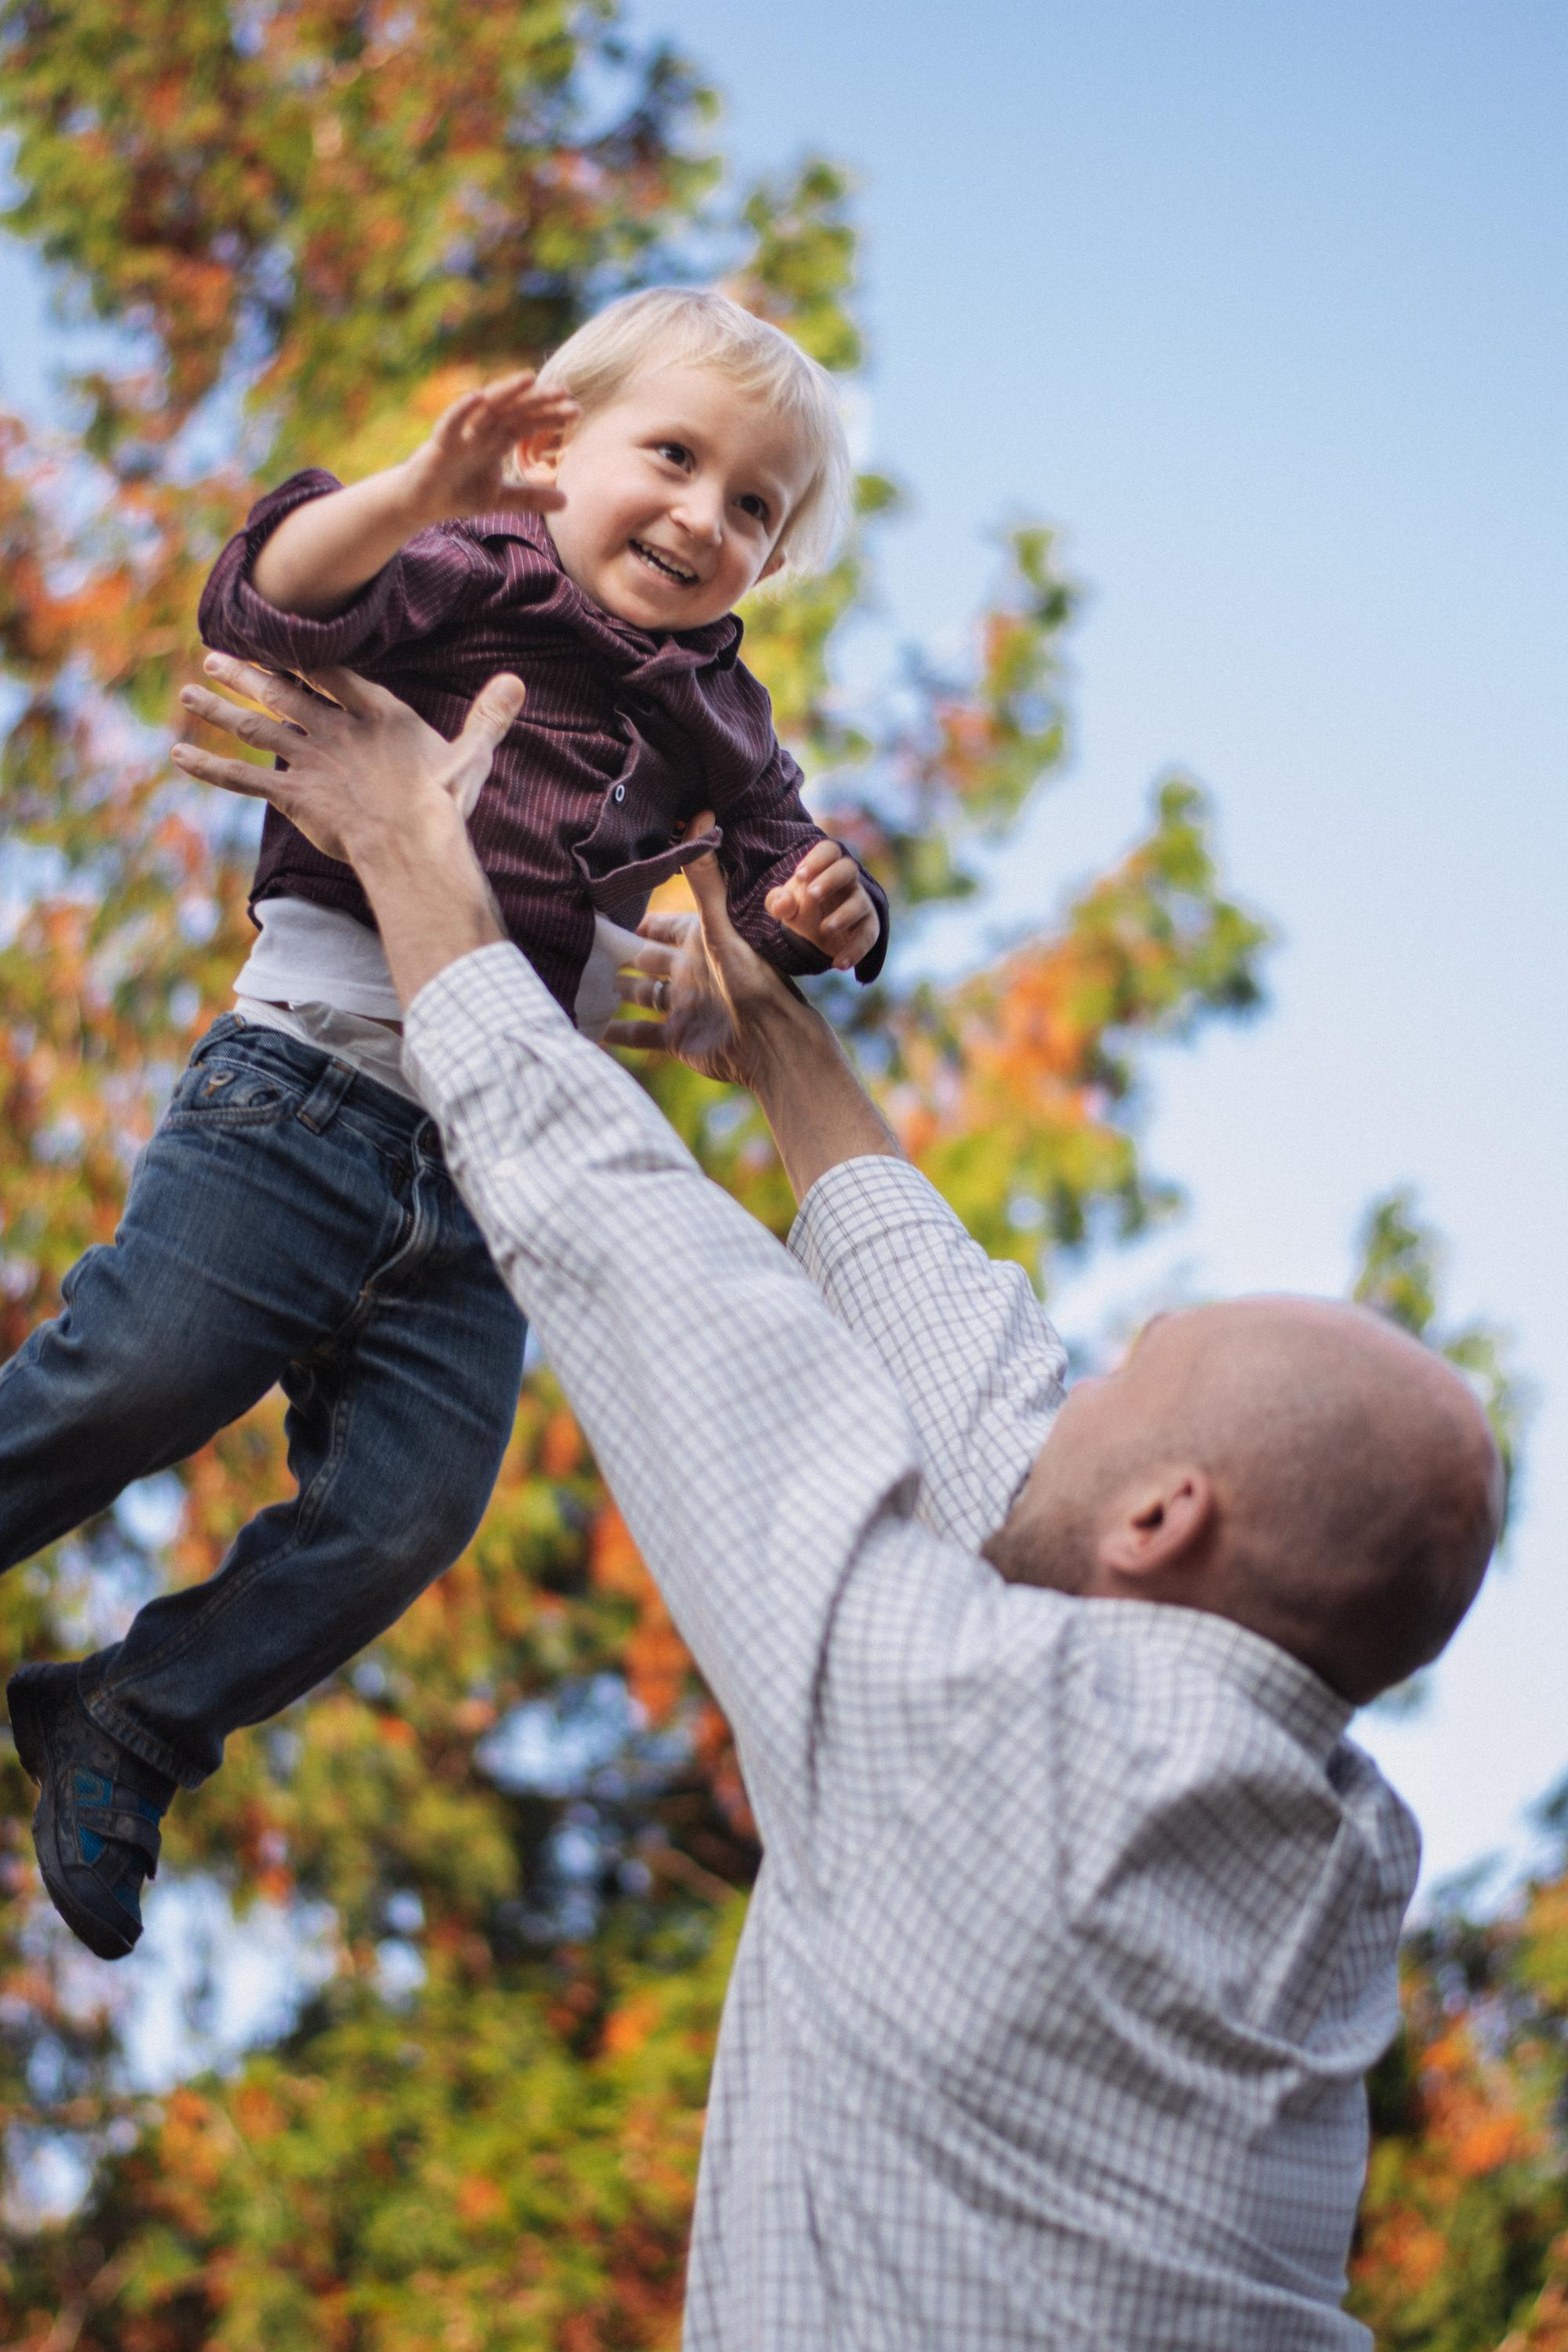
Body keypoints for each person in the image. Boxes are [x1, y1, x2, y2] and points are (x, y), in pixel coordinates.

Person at [163, 654, 1501, 2350]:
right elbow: (982, 1392)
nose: (1064, 1389)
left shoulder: (959, 1729)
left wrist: (415, 850)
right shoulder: (1328, 1839)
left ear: (1161, 1523)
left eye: (1118, 1379)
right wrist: (774, 1034)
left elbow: (637, 1252)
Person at [2, 288, 886, 1964]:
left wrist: (828, 914)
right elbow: (266, 593)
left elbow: (764, 893)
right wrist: (418, 488)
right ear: (553, 449)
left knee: (405, 1514)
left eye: (753, 506)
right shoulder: (475, 567)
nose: (705, 517)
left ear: (769, 565)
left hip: (496, 1178)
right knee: (142, 1371)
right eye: (675, 458)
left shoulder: (723, 710)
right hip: (307, 1093)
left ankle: (129, 1717)